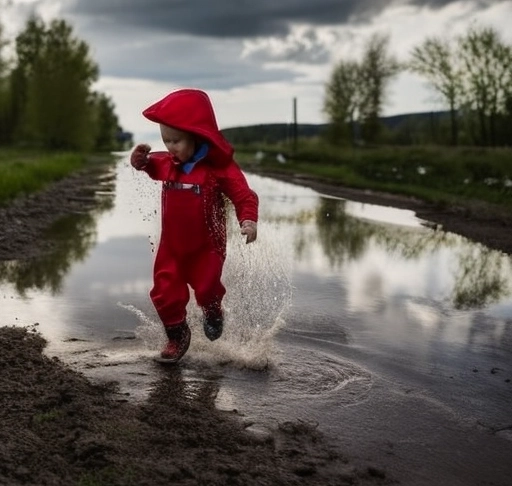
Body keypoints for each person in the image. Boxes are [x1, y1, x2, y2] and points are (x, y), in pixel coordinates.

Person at [130, 88, 258, 363]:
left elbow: (243, 195)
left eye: (176, 141)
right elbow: (151, 165)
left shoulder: (219, 169)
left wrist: (247, 220)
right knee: (164, 292)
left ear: (197, 136)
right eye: (166, 141)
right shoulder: (170, 163)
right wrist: (140, 160)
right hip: (172, 247)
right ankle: (177, 337)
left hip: (207, 247)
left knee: (206, 289)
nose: (170, 147)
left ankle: (213, 311)